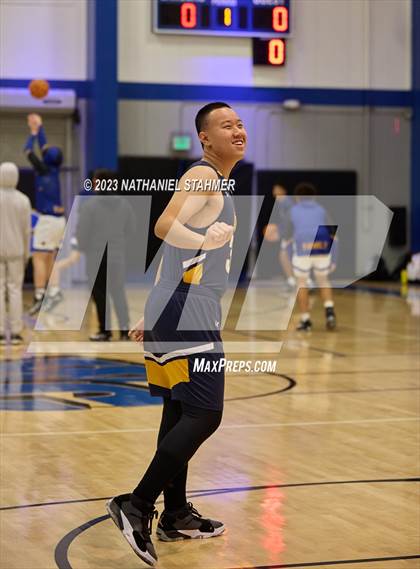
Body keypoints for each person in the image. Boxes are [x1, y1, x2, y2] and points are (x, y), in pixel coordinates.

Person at [106, 102, 246, 566]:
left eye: (240, 123)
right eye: (226, 125)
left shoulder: (216, 181)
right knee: (205, 413)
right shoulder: (203, 175)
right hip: (188, 309)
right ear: (205, 138)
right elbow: (164, 225)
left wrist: (153, 307)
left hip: (175, 303)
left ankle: (176, 513)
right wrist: (206, 241)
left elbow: (173, 253)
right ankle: (138, 504)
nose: (238, 130)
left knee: (181, 410)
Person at [76, 169, 134, 341]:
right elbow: (131, 229)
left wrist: (83, 247)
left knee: (100, 294)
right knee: (118, 292)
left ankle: (105, 331)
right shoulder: (125, 204)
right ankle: (125, 330)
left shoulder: (90, 206)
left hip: (96, 256)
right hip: (117, 256)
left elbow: (82, 232)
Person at [24, 113, 66, 315]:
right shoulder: (53, 169)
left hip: (48, 220)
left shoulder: (43, 170)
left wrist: (33, 133)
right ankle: (52, 292)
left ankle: (40, 296)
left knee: (39, 258)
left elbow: (27, 151)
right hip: (59, 221)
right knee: (50, 258)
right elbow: (44, 149)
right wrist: (40, 127)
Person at [281, 183, 337, 331]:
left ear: (297, 197)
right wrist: (334, 258)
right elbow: (333, 234)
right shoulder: (321, 209)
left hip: (303, 248)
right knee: (323, 279)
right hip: (322, 246)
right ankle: (329, 311)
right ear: (314, 196)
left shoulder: (293, 210)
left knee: (301, 283)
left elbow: (286, 236)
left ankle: (306, 320)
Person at [0, 162, 31, 345]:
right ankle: (16, 332)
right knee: (15, 290)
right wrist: (27, 253)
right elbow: (26, 230)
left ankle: (0, 332)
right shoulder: (23, 200)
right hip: (17, 250)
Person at [272, 184, 295, 287]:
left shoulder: (287, 202)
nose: (274, 191)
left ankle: (294, 280)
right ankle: (292, 280)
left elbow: (290, 220)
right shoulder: (281, 203)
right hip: (289, 234)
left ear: (283, 191)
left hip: (292, 234)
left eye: (277, 189)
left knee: (285, 256)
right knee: (286, 256)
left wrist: (284, 234)